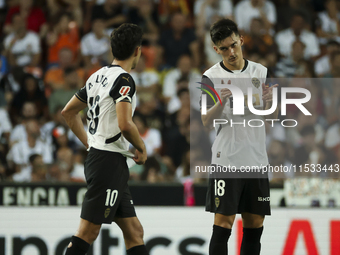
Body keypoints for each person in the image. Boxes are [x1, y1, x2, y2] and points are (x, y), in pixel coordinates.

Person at [61, 23, 148, 255]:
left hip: (105, 160)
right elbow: (125, 123)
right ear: (137, 51)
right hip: (108, 162)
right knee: (87, 232)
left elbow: (68, 112)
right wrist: (141, 146)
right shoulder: (125, 80)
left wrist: (90, 142)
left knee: (134, 231)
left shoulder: (97, 76)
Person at [200, 19, 278, 255]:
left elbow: (272, 118)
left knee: (255, 226)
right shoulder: (210, 77)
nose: (231, 52)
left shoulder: (261, 72)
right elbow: (206, 122)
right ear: (216, 49)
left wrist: (269, 104)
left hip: (256, 160)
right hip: (227, 161)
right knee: (223, 226)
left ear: (241, 40)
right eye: (224, 48)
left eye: (234, 45)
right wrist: (220, 104)